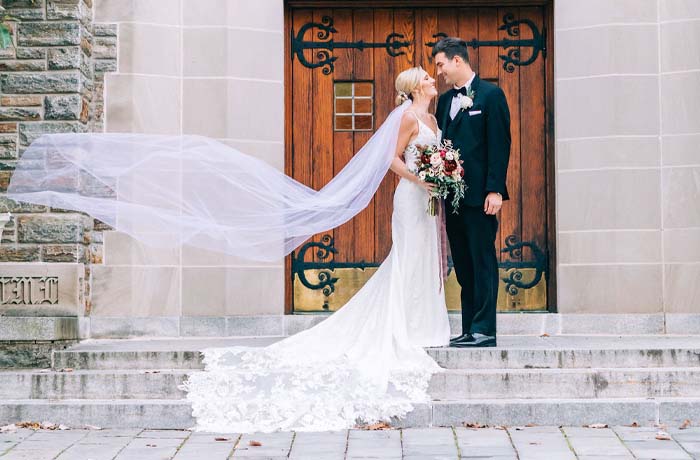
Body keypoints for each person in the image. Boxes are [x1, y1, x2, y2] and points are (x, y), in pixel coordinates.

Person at [433, 37, 512, 348]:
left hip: (481, 197)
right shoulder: (443, 101)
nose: (438, 71)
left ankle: (484, 330)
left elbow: (500, 146)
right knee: (464, 266)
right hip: (452, 199)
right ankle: (469, 328)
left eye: (440, 64)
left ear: (457, 61)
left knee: (482, 262)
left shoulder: (491, 95)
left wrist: (495, 190)